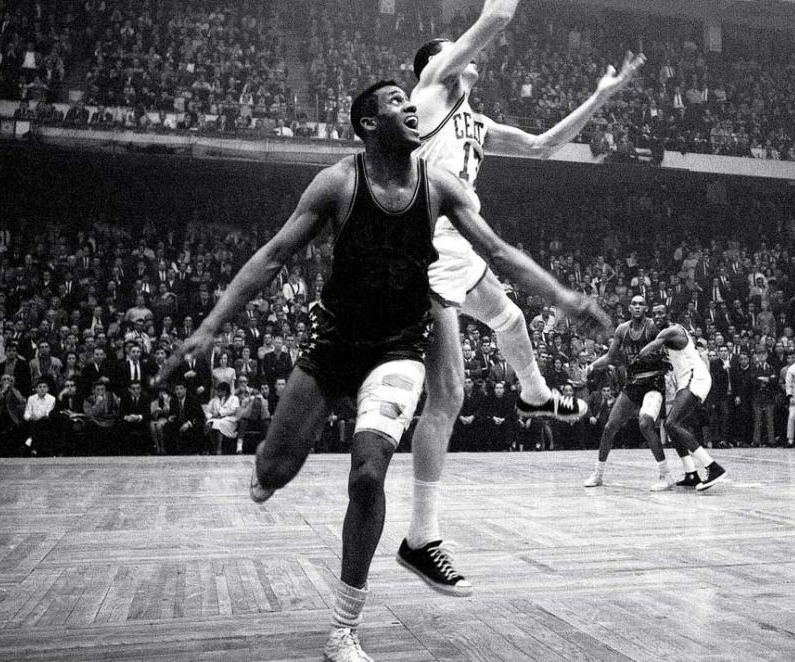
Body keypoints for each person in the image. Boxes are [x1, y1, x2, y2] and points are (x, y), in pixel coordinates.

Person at [166, 80, 608, 661]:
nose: (409, 108)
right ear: (368, 125)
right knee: (273, 469)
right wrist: (209, 326)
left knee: (368, 474)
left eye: (410, 100)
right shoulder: (338, 183)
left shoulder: (440, 186)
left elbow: (498, 255)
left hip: (398, 348)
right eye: (396, 102)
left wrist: (563, 296)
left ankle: (342, 628)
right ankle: (271, 470)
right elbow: (273, 257)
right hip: (334, 345)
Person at [402, 0, 645, 594]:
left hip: (462, 255)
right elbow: (498, 16)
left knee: (510, 322)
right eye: (454, 49)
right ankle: (421, 536)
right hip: (423, 259)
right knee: (446, 394)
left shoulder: (475, 123)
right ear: (438, 63)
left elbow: (542, 144)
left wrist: (600, 97)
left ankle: (536, 394)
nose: (465, 50)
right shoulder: (430, 89)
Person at [632, 304, 727, 490]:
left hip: (695, 378)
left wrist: (636, 354)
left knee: (671, 424)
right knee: (673, 426)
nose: (657, 316)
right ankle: (691, 473)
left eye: (661, 313)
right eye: (655, 313)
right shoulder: (671, 337)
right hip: (686, 380)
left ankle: (712, 466)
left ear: (668, 315)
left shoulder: (671, 331)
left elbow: (649, 348)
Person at [582, 296, 673, 491]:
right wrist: (591, 366)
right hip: (633, 383)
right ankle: (598, 474)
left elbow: (671, 345)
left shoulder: (653, 327)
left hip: (653, 381)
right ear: (630, 308)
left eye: (642, 304)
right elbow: (610, 357)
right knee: (609, 427)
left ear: (646, 308)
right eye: (635, 303)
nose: (638, 306)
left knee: (645, 423)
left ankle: (665, 475)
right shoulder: (622, 330)